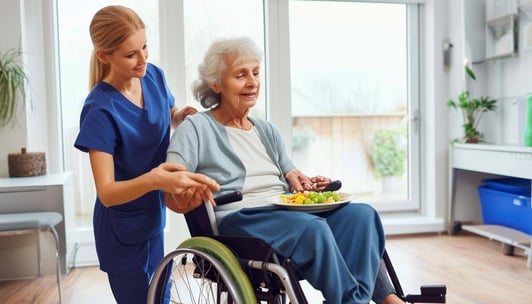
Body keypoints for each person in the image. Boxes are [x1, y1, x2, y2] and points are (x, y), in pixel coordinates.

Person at [166, 37, 405, 304]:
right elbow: (172, 179)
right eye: (240, 75)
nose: (252, 82)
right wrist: (183, 192)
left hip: (284, 215)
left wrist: (303, 183)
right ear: (215, 83)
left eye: (255, 73)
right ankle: (358, 300)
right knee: (311, 228)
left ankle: (357, 298)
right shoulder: (196, 127)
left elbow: (290, 174)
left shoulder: (267, 130)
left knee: (362, 215)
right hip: (237, 218)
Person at [73, 5, 219, 304]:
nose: (143, 59)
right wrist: (154, 179)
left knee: (161, 297)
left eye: (145, 47)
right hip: (122, 230)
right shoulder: (100, 109)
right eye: (131, 54)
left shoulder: (153, 77)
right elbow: (107, 193)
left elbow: (163, 114)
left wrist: (179, 115)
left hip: (153, 217)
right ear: (104, 56)